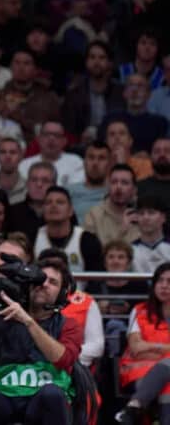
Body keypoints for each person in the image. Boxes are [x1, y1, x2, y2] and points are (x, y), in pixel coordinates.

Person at [0, 257, 82, 425]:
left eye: (53, 282)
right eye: (39, 279)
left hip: (42, 402)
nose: (44, 284)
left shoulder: (68, 324)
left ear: (62, 292)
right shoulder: (3, 320)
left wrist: (28, 321)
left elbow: (63, 359)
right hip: (4, 399)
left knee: (52, 393)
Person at [117, 263, 170, 425]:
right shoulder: (139, 310)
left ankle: (133, 407)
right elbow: (136, 348)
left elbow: (143, 347)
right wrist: (165, 350)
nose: (164, 286)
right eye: (160, 280)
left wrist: (150, 347)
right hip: (139, 369)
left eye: (169, 281)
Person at [34, 186, 103, 272]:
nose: (53, 205)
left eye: (60, 202)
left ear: (71, 210)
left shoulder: (88, 240)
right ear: (43, 210)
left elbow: (96, 278)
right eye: (48, 202)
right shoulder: (33, 237)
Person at [83, 163, 141, 246]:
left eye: (124, 183)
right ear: (108, 187)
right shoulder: (93, 215)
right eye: (114, 182)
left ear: (134, 190)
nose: (118, 187)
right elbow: (91, 251)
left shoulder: (142, 215)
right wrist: (121, 232)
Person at [132, 193, 170, 273]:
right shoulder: (130, 249)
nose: (146, 217)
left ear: (163, 217)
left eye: (151, 213)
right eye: (141, 213)